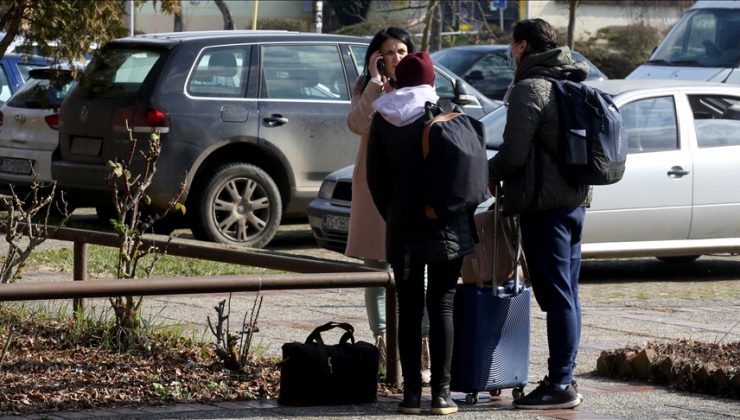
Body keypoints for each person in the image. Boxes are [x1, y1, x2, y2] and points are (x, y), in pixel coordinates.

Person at [488, 18, 590, 410]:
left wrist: (489, 173)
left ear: (525, 47)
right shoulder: (572, 81)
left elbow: (513, 153)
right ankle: (565, 374)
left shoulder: (531, 87)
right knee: (569, 295)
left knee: (556, 296)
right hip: (574, 203)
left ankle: (560, 383)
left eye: (512, 44)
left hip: (544, 207)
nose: (510, 51)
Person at [366, 51, 474, 416]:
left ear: (400, 79)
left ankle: (411, 395)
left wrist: (393, 213)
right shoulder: (443, 110)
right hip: (446, 223)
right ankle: (441, 396)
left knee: (409, 306)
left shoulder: (382, 118)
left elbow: (374, 180)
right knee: (442, 304)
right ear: (431, 80)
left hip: (403, 224)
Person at [346, 27, 431, 385]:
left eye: (401, 51)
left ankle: (423, 352)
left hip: (412, 189)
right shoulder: (367, 87)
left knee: (419, 269)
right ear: (376, 57)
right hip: (375, 187)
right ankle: (383, 350)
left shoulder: (419, 86)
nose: (396, 58)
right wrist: (375, 84)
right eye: (388, 53)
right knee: (376, 268)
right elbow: (357, 124)